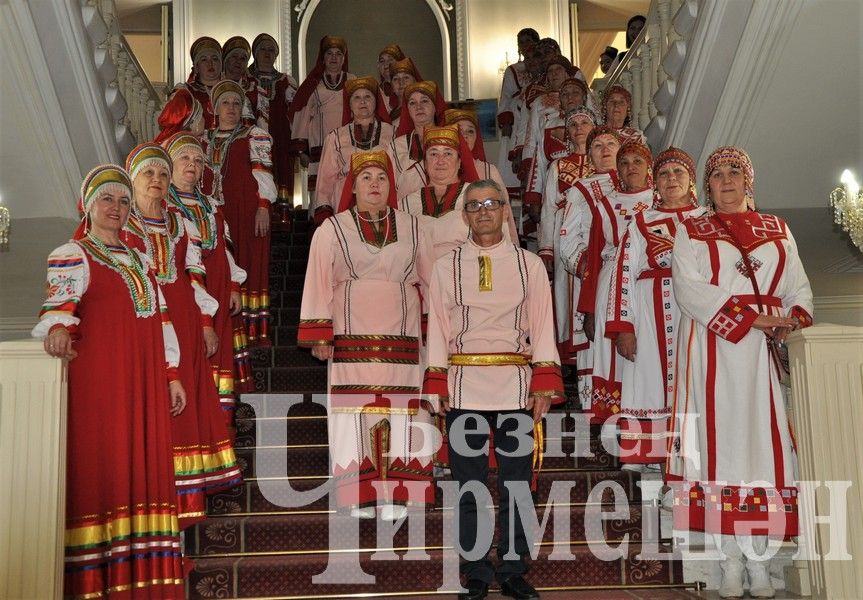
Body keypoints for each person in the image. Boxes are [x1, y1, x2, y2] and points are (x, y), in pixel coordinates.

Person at [34, 164, 186, 598]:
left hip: (144, 378)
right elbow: (59, 308)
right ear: (87, 205)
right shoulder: (72, 252)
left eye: (123, 200)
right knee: (102, 465)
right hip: (100, 382)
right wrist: (60, 327)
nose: (116, 208)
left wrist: (172, 374)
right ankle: (96, 581)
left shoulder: (140, 258)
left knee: (141, 462)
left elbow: (161, 321)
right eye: (107, 199)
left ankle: (143, 575)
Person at [667, 147, 813, 599]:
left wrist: (791, 319)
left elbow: (799, 289)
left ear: (749, 182)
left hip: (762, 360)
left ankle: (760, 560)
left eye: (735, 173)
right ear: (705, 187)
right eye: (717, 175)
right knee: (719, 448)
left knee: (764, 453)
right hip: (712, 353)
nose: (726, 180)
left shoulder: (778, 229)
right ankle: (730, 561)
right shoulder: (690, 231)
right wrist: (752, 320)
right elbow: (689, 289)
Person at [423, 179, 564, 600]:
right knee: (469, 485)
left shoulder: (529, 265)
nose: (483, 211)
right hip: (464, 386)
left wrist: (544, 381)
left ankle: (515, 567)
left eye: (491, 203)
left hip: (517, 387)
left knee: (517, 484)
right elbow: (438, 328)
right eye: (474, 205)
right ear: (464, 215)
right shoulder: (445, 266)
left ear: (506, 210)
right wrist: (435, 380)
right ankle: (477, 569)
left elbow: (542, 324)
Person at [298, 150, 434, 521]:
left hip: (403, 335)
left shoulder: (414, 226)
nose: (374, 185)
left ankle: (400, 491)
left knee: (405, 409)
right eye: (366, 178)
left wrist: (433, 331)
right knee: (352, 412)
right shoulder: (333, 228)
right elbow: (317, 280)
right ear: (352, 186)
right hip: (350, 334)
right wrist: (320, 334)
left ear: (392, 185)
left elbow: (431, 282)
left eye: (381, 178)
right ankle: (356, 490)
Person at [123, 143, 242, 528]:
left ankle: (185, 503)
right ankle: (151, 498)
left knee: (186, 401)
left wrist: (207, 323)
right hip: (140, 324)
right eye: (149, 174)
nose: (156, 181)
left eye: (161, 173)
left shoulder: (180, 222)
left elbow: (196, 274)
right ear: (133, 180)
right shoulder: (121, 224)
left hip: (186, 321)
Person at [604, 147, 707, 471]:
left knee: (698, 384)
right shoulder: (641, 221)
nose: (671, 179)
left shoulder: (708, 219)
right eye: (664, 174)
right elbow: (623, 273)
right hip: (650, 318)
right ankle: (654, 468)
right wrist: (624, 327)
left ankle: (695, 462)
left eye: (678, 172)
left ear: (691, 181)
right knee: (651, 383)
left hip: (700, 318)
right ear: (655, 183)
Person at [163, 131, 250, 427]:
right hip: (185, 288)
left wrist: (235, 284)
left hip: (218, 284)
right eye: (185, 158)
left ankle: (218, 426)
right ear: (170, 165)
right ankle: (192, 423)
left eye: (198, 160)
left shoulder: (212, 205)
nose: (192, 164)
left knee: (217, 355)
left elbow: (225, 247)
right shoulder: (163, 207)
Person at [578, 141, 653, 425]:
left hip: (648, 285)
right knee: (613, 357)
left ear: (648, 166)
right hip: (611, 285)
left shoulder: (661, 202)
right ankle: (614, 424)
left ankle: (647, 418)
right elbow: (594, 258)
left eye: (637, 161)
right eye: (624, 162)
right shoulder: (606, 205)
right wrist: (588, 308)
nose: (630, 167)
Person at [204, 79, 277, 346]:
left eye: (236, 103)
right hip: (215, 213)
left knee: (248, 262)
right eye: (226, 102)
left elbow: (264, 173)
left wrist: (263, 207)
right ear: (215, 108)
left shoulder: (254, 135)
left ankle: (255, 331)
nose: (231, 108)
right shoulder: (203, 140)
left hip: (247, 211)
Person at [558, 126, 622, 408]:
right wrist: (593, 268)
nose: (605, 149)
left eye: (611, 143)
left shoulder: (644, 187)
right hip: (598, 282)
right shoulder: (580, 190)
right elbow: (568, 242)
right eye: (598, 145)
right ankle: (597, 418)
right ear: (590, 155)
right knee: (598, 348)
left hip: (636, 285)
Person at [398, 125, 519, 258]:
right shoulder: (405, 204)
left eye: (448, 153)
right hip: (421, 276)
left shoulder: (481, 197)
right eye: (433, 154)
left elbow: (503, 244)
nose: (440, 160)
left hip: (470, 272)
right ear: (425, 163)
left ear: (459, 162)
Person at [537, 106, 597, 363]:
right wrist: (547, 248)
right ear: (567, 134)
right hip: (566, 232)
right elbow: (549, 206)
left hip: (597, 229)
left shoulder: (605, 162)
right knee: (565, 288)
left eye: (585, 123)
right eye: (574, 125)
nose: (580, 128)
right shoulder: (559, 165)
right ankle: (569, 353)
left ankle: (596, 347)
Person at [313, 76, 395, 224]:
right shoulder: (335, 137)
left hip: (383, 200)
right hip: (345, 202)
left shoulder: (392, 134)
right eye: (356, 97)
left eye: (367, 97)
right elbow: (325, 179)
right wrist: (324, 213)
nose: (362, 101)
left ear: (376, 102)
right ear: (349, 104)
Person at [289, 35, 355, 192]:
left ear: (343, 58)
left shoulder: (353, 81)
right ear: (323, 57)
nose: (334, 57)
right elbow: (302, 113)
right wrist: (301, 150)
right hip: (320, 142)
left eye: (338, 54)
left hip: (347, 143)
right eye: (329, 53)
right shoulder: (313, 83)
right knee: (321, 192)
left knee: (344, 190)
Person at [249, 33, 300, 208]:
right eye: (262, 49)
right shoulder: (246, 80)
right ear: (255, 53)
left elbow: (296, 113)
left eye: (271, 50)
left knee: (282, 171)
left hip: (281, 137)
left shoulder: (286, 81)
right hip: (253, 137)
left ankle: (283, 213)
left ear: (276, 54)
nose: (267, 53)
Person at [496, 28, 540, 193]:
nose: (525, 45)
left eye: (528, 40)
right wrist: (506, 121)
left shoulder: (544, 67)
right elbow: (505, 98)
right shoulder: (513, 70)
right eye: (521, 42)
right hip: (517, 116)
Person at [388, 80, 446, 178]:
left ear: (435, 106)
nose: (419, 107)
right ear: (408, 110)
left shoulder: (451, 139)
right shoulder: (396, 146)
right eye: (412, 103)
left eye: (424, 101)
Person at [183, 36, 222, 129]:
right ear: (196, 67)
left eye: (215, 59)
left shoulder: (232, 89)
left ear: (221, 65)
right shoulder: (186, 92)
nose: (210, 63)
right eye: (204, 59)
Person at [221, 36, 260, 127]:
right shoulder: (214, 88)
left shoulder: (255, 90)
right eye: (234, 56)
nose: (238, 61)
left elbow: (263, 125)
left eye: (243, 59)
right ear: (225, 61)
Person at [387, 57, 421, 126]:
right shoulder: (389, 113)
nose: (401, 83)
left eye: (406, 77)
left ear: (415, 82)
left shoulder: (420, 109)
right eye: (396, 79)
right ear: (392, 87)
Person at [377, 43, 405, 113]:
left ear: (400, 62)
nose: (386, 65)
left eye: (390, 60)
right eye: (382, 61)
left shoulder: (410, 86)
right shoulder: (376, 92)